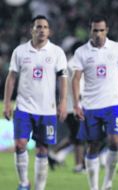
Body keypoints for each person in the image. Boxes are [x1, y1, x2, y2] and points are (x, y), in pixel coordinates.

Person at [71, 14, 118, 190]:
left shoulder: (117, 49)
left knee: (115, 142)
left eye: (101, 30)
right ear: (90, 31)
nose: (98, 33)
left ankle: (107, 183)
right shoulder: (81, 52)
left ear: (106, 30)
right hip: (90, 106)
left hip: (113, 104)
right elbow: (76, 79)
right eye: (95, 30)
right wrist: (76, 104)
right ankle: (94, 187)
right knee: (92, 146)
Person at [3, 15, 68, 190]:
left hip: (47, 110)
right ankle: (24, 183)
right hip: (23, 107)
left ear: (50, 31)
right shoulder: (20, 51)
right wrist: (8, 103)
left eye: (45, 27)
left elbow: (63, 78)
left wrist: (63, 103)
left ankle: (39, 187)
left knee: (42, 149)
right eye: (38, 27)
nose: (41, 30)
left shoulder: (57, 52)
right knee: (20, 144)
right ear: (32, 30)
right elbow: (11, 78)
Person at [48, 41, 86, 173]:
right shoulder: (74, 65)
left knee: (74, 136)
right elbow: (77, 85)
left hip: (71, 105)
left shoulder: (69, 64)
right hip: (74, 106)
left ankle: (54, 153)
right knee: (79, 137)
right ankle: (79, 165)